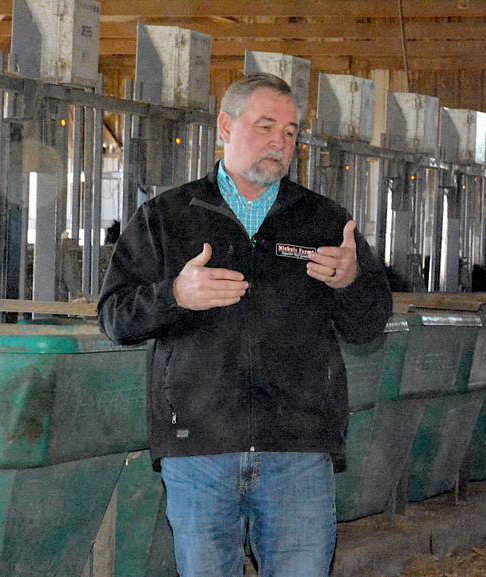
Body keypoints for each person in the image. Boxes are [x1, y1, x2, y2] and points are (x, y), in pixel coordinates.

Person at [98, 73, 392, 577]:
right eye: (265, 126)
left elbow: (369, 325)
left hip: (297, 447)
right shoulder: (168, 216)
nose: (280, 141)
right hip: (199, 448)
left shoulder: (323, 220)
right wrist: (176, 295)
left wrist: (351, 281)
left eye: (292, 131)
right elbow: (114, 316)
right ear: (225, 126)